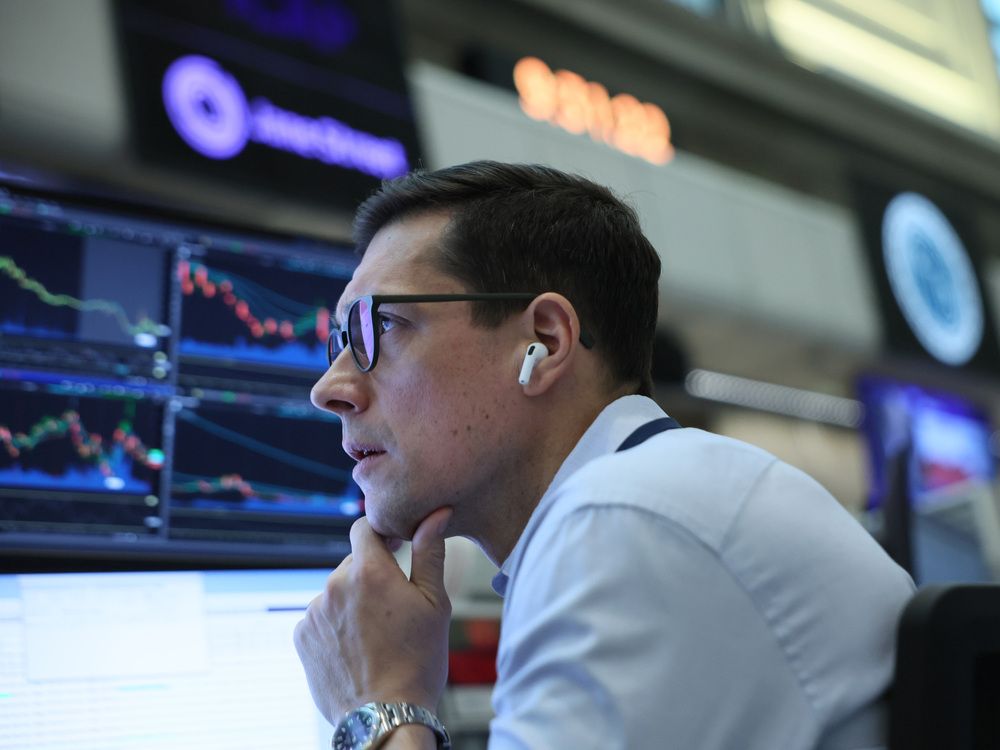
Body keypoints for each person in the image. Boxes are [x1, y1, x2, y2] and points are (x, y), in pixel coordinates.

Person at [294, 161, 915, 749]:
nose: (330, 388)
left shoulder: (623, 519)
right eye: (338, 341)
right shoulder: (653, 496)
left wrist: (377, 707)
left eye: (379, 327)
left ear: (544, 342)